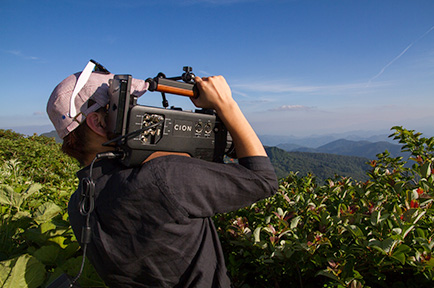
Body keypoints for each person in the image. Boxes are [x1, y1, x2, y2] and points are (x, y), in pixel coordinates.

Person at [47, 62, 278, 287]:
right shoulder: (164, 177)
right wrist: (227, 104)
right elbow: (262, 180)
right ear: (97, 122)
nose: (135, 110)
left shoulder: (78, 204)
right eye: (124, 104)